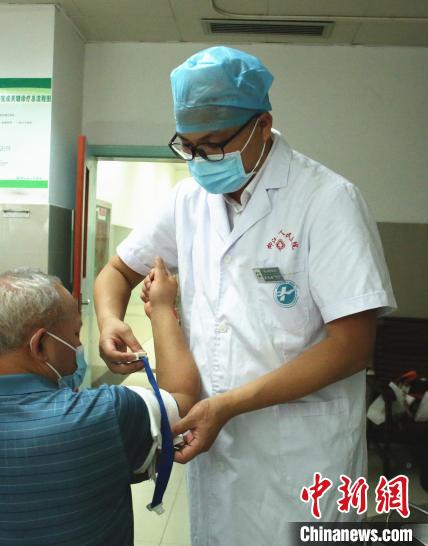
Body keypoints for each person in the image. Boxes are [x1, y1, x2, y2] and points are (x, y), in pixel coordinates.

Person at [93, 46, 396, 545]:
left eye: (214, 145)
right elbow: (117, 271)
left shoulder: (327, 200)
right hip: (218, 445)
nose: (200, 161)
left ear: (263, 125)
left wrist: (229, 405)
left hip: (303, 452)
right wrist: (109, 321)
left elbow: (352, 346)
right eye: (188, 147)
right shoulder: (188, 201)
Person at [0, 263, 200, 546]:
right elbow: (182, 401)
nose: (79, 345)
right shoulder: (104, 415)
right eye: (76, 334)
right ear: (40, 345)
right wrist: (162, 307)